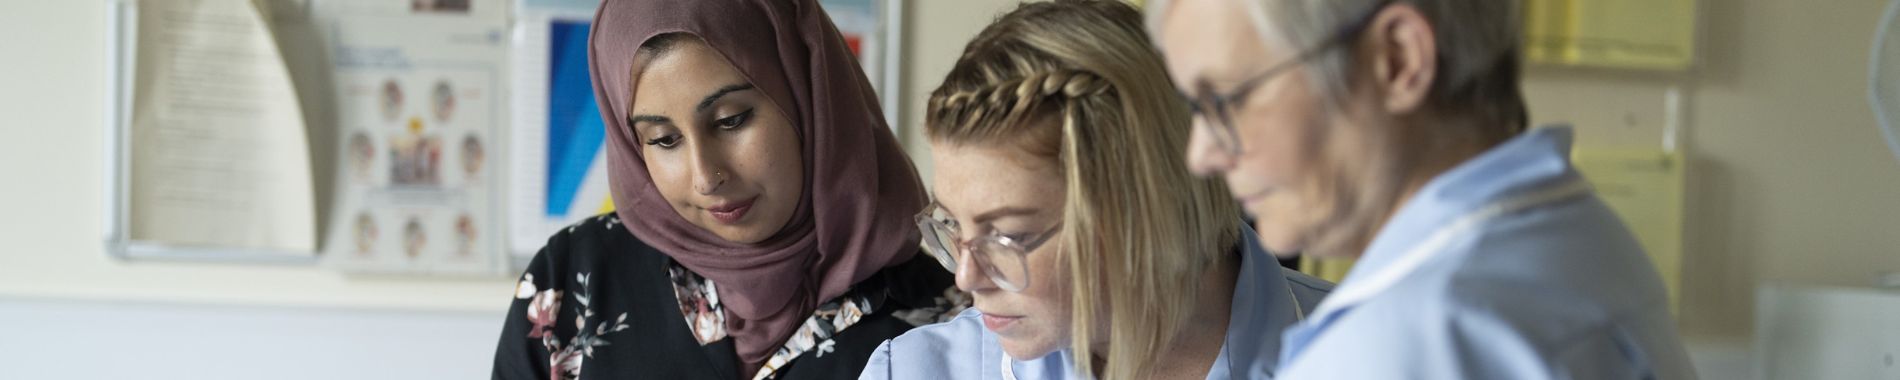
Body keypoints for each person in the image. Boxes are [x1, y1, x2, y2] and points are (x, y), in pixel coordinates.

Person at [1146, 0, 1697, 378]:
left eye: (1227, 100)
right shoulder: (1576, 238)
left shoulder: (1410, 343)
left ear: (1398, 61)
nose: (1201, 154)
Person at [859, 1, 1331, 379]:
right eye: (952, 226)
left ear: (1148, 210)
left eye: (1009, 236)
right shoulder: (913, 370)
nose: (966, 278)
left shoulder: (1363, 348)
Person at [491, 0, 958, 379]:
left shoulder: (946, 319)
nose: (705, 176)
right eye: (664, 139)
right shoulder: (572, 284)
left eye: (731, 120)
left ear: (809, 99)